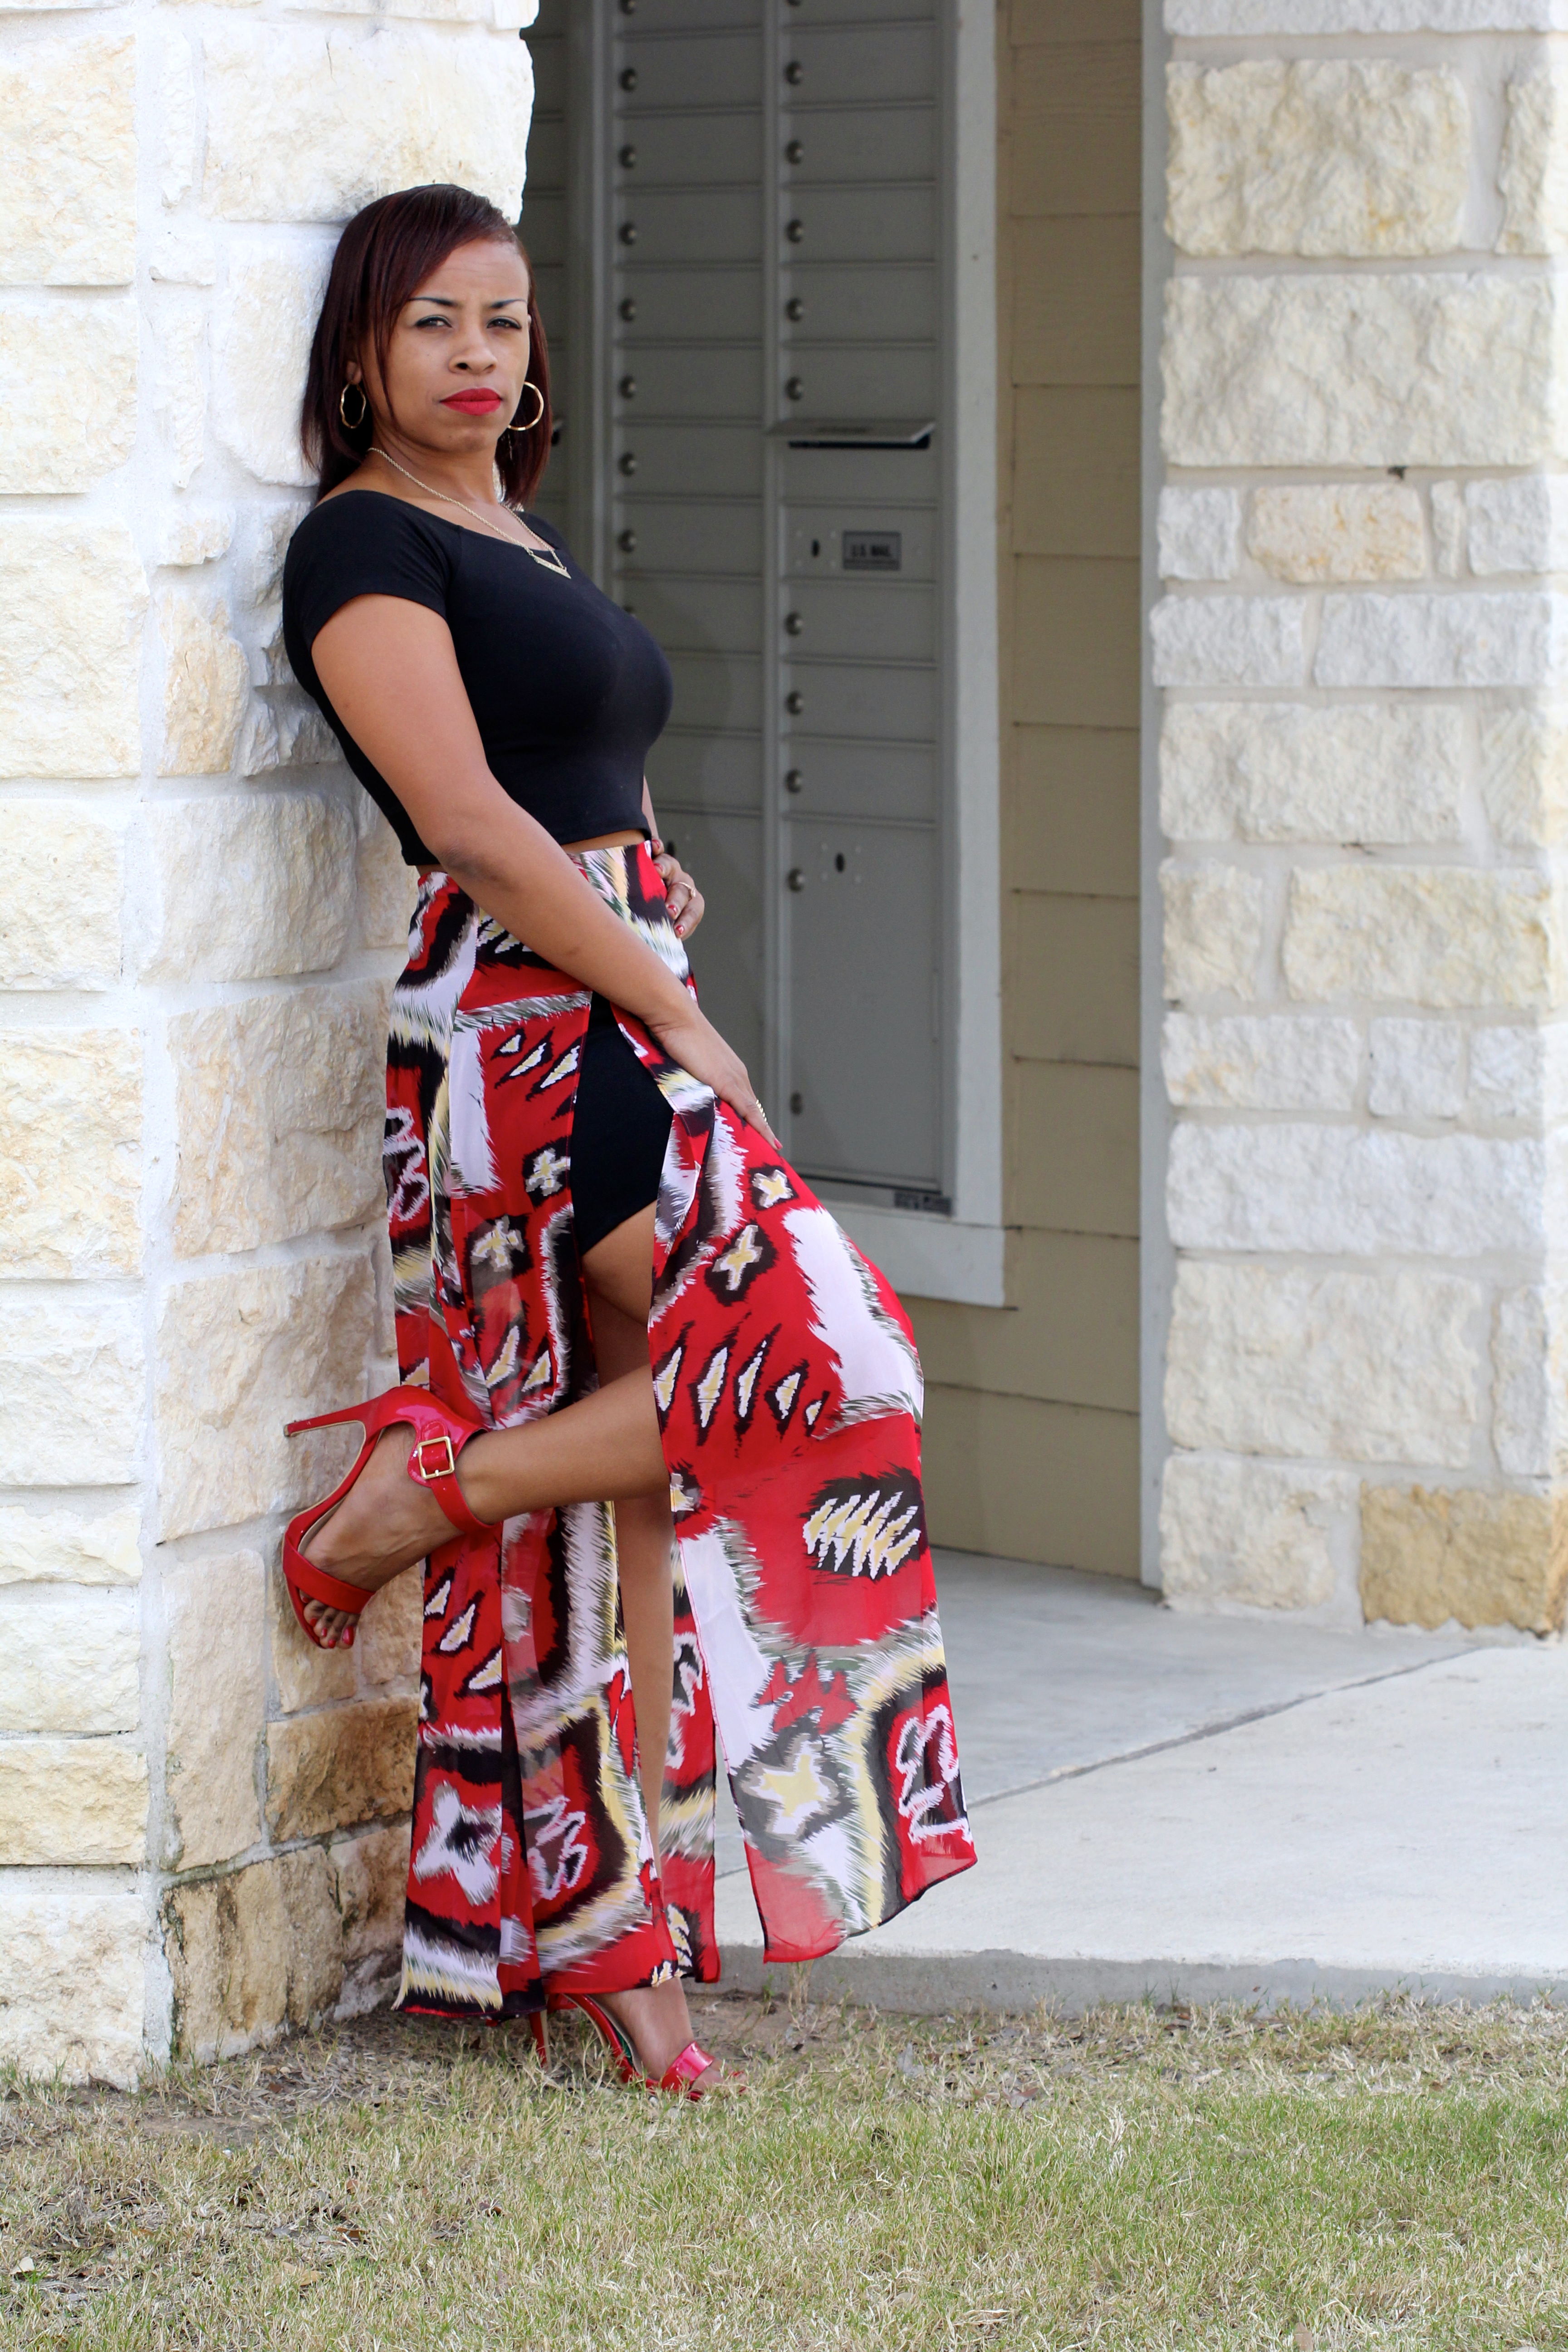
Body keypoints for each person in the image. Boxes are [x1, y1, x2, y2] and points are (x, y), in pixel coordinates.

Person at [279, 182, 976, 2101]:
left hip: (610, 987)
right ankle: (419, 1501)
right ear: (360, 355)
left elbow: (598, 779)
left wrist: (660, 918)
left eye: (505, 323)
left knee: (645, 1510)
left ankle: (621, 1948)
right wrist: (670, 1006)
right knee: (826, 1365)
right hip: (530, 1026)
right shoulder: (360, 552)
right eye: (435, 325)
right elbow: (474, 823)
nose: (480, 357)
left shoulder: (520, 535)